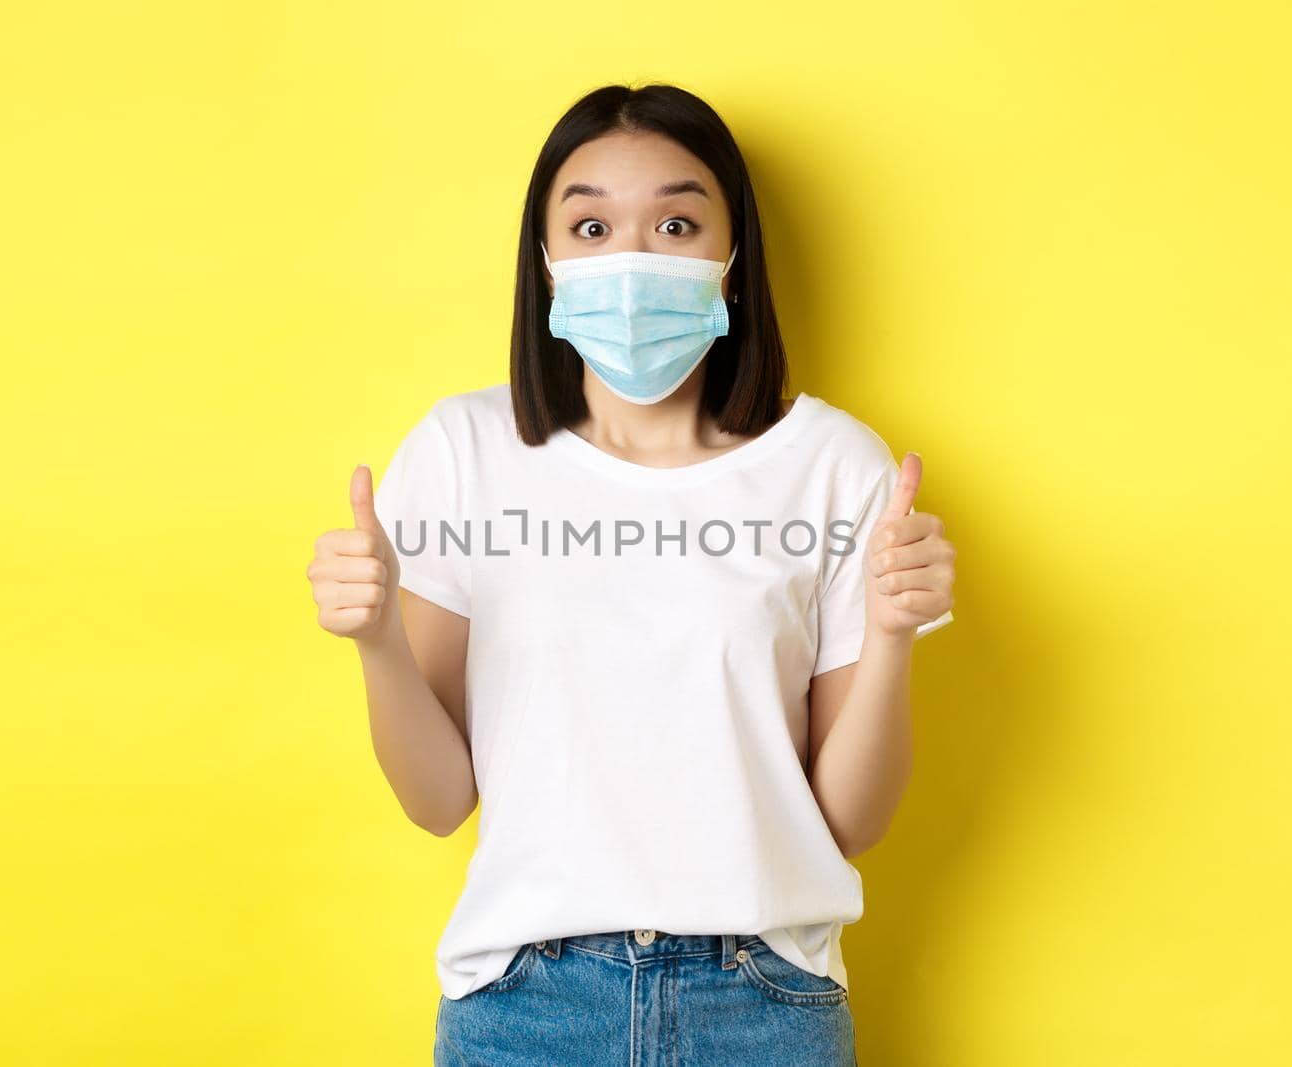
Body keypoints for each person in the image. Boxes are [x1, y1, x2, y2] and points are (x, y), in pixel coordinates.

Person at [306, 82, 957, 1066]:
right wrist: (377, 641)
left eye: (677, 222)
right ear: (547, 263)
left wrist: (895, 635)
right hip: (524, 1005)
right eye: (593, 224)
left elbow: (849, 819)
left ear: (733, 263)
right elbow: (439, 798)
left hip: (764, 1003)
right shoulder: (463, 449)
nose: (633, 259)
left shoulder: (834, 465)